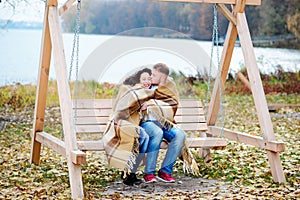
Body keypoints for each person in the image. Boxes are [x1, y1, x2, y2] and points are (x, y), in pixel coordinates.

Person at [140, 63, 199, 183]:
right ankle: (149, 173)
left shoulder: (169, 87)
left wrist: (152, 103)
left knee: (180, 134)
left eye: (154, 75)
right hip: (147, 122)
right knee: (157, 133)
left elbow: (172, 104)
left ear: (163, 77)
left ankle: (165, 171)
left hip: (165, 123)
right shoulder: (145, 85)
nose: (151, 76)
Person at [102, 68, 154, 186]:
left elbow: (143, 117)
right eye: (144, 79)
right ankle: (128, 171)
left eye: (149, 79)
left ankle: (131, 171)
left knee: (143, 138)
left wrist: (144, 108)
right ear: (138, 80)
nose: (147, 82)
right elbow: (122, 111)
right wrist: (138, 105)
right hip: (119, 123)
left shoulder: (144, 95)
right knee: (142, 136)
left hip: (131, 125)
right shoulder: (130, 90)